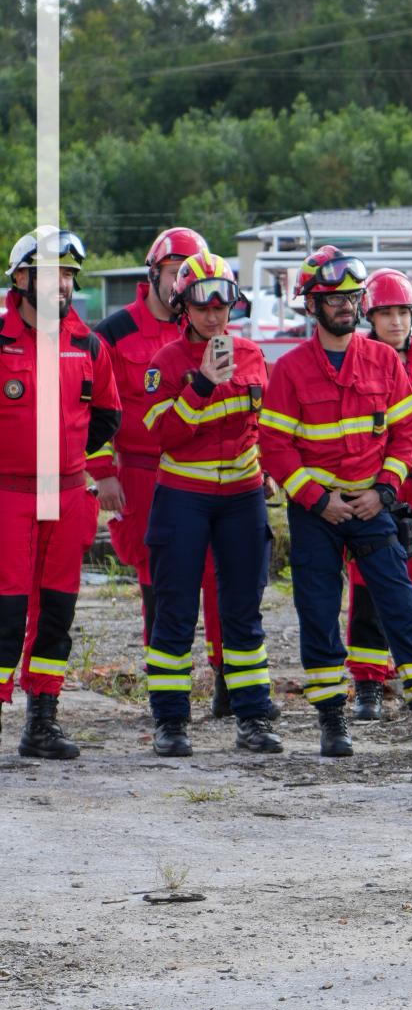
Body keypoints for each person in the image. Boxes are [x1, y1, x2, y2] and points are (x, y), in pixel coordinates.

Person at [259, 246, 412, 758]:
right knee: (318, 611)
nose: (345, 306)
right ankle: (332, 720)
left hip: (372, 506)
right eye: (333, 298)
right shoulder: (290, 370)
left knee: (401, 606)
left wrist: (383, 491)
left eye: (352, 297)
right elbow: (275, 446)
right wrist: (318, 500)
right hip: (317, 513)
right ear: (312, 305)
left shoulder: (382, 361)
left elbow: (408, 434)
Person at [95, 227, 241, 719]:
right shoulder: (115, 332)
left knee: (220, 578)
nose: (184, 281)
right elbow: (89, 406)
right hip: (142, 473)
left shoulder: (211, 330)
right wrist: (102, 471)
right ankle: (167, 692)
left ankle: (227, 682)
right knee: (159, 582)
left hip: (208, 472)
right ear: (154, 274)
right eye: (175, 271)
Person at [140, 253, 280, 757]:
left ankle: (253, 717)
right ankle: (171, 722)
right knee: (175, 609)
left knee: (243, 612)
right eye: (202, 306)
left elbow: (264, 425)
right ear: (184, 306)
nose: (214, 316)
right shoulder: (165, 363)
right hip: (184, 498)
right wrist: (201, 383)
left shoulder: (253, 354)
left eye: (222, 306)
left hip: (242, 497)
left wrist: (269, 471)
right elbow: (164, 435)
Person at [0, 227, 121, 757]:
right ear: (22, 280)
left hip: (69, 496)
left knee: (56, 613)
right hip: (8, 497)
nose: (63, 286)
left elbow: (107, 416)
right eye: (52, 276)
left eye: (69, 277)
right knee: (5, 613)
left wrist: (63, 457)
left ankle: (41, 721)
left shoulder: (88, 345)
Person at [346, 269, 412, 723]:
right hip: (374, 488)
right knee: (368, 584)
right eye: (385, 313)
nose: (396, 321)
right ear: (369, 317)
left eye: (403, 312)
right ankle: (368, 682)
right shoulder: (357, 362)